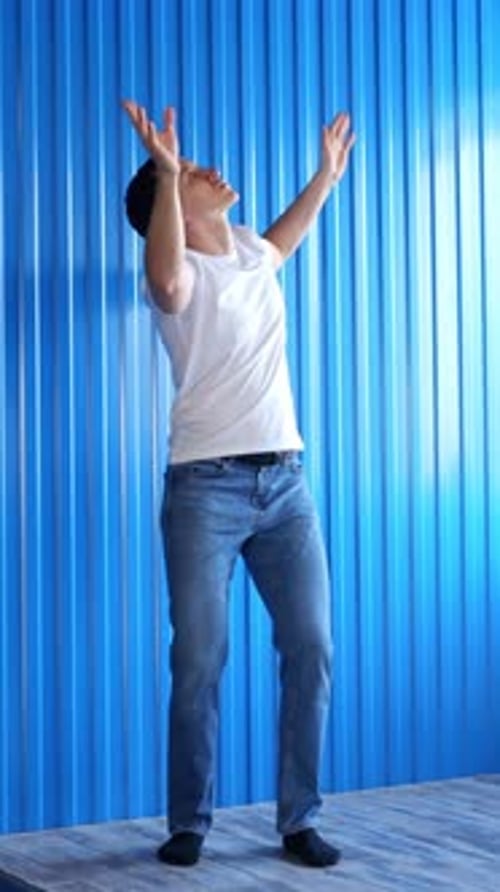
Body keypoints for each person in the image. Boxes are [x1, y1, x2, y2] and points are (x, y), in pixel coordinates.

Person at [122, 99, 355, 868]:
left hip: (286, 484)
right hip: (204, 491)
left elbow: (289, 232)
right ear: (172, 212)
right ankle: (189, 822)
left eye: (192, 166)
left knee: (312, 645)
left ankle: (298, 820)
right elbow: (162, 279)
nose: (208, 171)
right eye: (192, 175)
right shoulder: (179, 275)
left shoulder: (251, 254)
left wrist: (324, 178)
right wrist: (162, 172)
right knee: (199, 656)